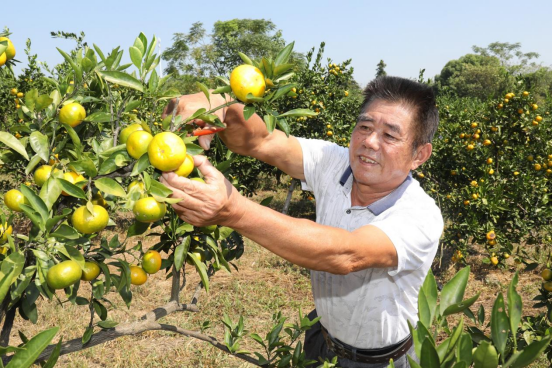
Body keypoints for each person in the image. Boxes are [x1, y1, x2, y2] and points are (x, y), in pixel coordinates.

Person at [160, 76, 443, 368]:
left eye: (390, 136)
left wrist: (233, 210)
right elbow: (262, 140)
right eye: (365, 127)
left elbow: (347, 254)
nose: (370, 142)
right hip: (321, 338)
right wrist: (223, 106)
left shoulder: (420, 214)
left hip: (382, 362)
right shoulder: (335, 161)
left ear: (419, 155)